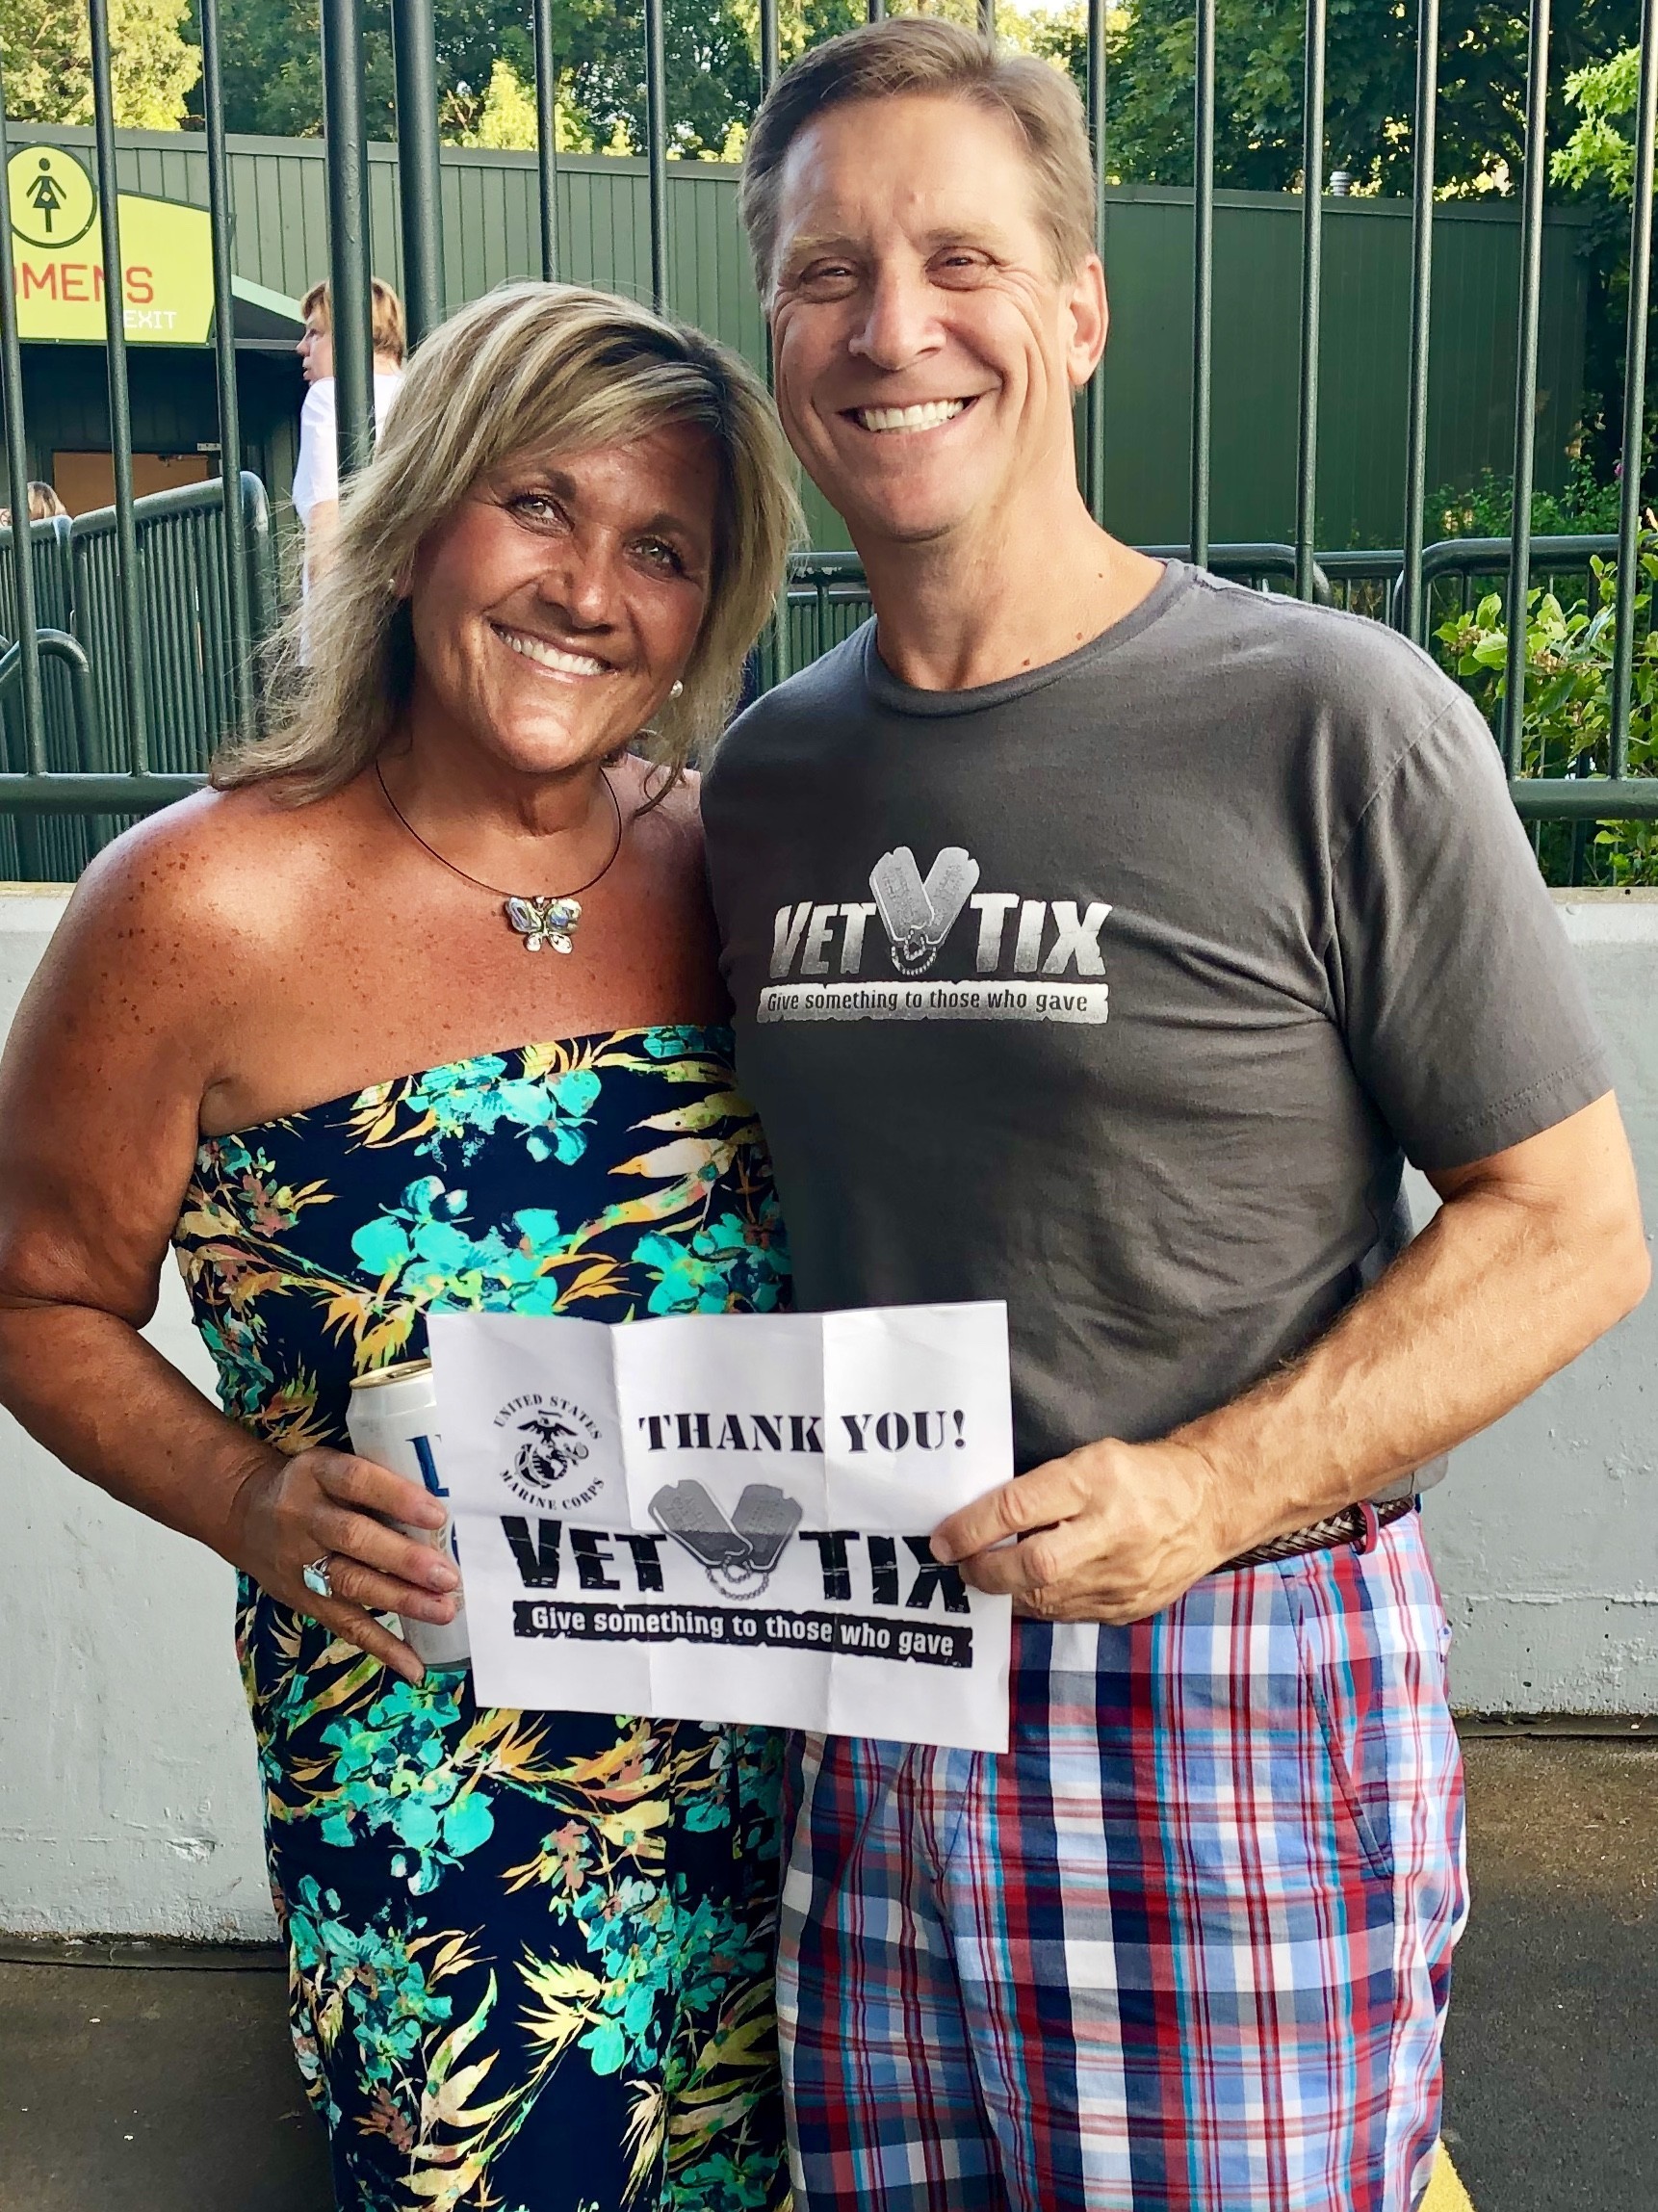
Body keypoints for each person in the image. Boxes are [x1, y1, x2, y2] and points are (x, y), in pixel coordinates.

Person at [702, 21, 1649, 2212]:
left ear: (1079, 312)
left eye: (960, 259)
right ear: (778, 328)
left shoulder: (1329, 718)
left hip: (1222, 1674)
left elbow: (1570, 1219)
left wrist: (1205, 1492)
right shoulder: (767, 780)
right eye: (828, 272)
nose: (892, 326)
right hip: (871, 1680)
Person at [0, 281, 800, 2211]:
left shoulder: (744, 867)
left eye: (663, 548)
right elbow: (34, 1294)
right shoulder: (197, 901)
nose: (588, 590)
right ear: (421, 513)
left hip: (793, 1775)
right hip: (439, 1817)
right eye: (539, 504)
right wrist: (246, 1495)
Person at [292, 273, 407, 596]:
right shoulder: (424, 394)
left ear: (350, 337)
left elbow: (327, 522)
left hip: (355, 603)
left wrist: (326, 620)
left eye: (315, 333)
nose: (302, 347)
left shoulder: (328, 398)